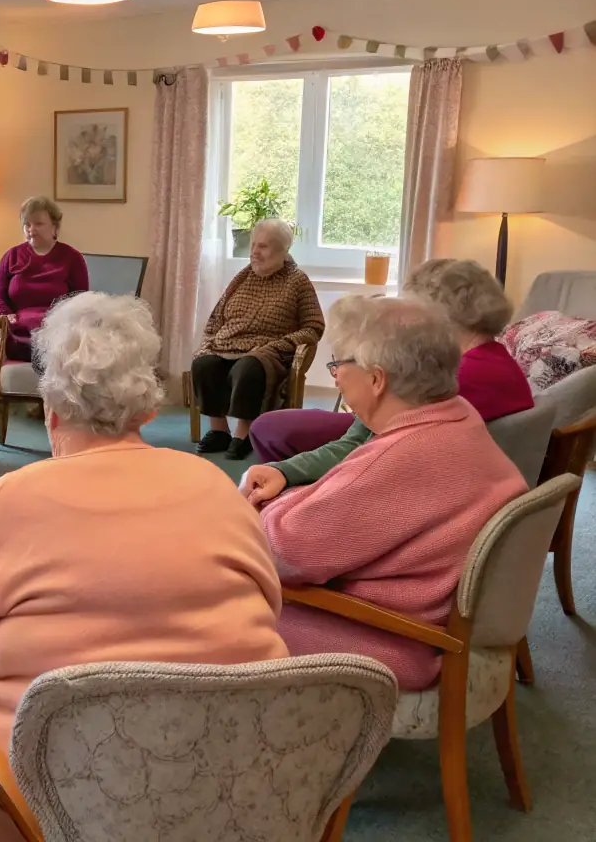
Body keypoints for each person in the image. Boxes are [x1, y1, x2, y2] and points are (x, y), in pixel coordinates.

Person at [0, 293, 288, 832]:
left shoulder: (3, 504)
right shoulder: (217, 487)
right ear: (147, 409)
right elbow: (271, 607)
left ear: (50, 410)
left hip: (53, 802)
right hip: (228, 780)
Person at [255, 295, 527, 689]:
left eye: (339, 365)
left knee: (214, 600)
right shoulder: (459, 415)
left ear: (376, 379)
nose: (334, 376)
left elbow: (282, 554)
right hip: (428, 620)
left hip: (394, 639)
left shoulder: (398, 457)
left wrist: (271, 507)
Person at [242, 257, 534, 503]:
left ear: (434, 315)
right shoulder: (496, 360)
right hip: (412, 448)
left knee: (273, 427)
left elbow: (368, 443)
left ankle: (294, 496)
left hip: (397, 457)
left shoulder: (462, 374)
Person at [190, 218, 324, 460]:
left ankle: (244, 433)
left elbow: (314, 327)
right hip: (227, 345)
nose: (254, 252)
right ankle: (219, 430)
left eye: (263, 247)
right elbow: (216, 318)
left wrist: (281, 344)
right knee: (204, 364)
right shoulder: (242, 278)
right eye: (253, 245)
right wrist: (209, 342)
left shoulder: (297, 281)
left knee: (249, 367)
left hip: (268, 352)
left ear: (283, 251)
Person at [0, 195, 89, 362]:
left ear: (55, 227)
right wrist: (6, 314)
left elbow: (80, 300)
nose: (31, 229)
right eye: (27, 224)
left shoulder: (72, 258)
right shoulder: (12, 256)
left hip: (58, 329)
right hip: (19, 330)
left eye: (39, 224)